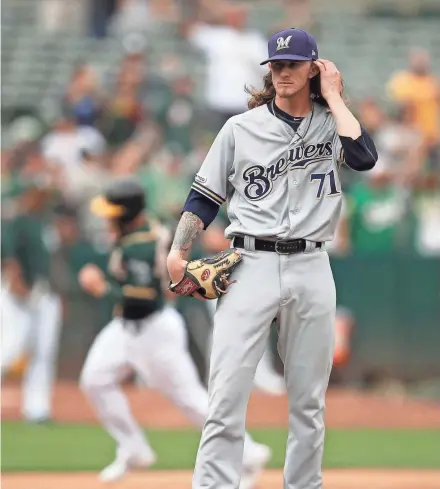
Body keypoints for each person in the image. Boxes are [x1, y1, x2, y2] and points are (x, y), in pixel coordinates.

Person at [167, 28, 377, 489]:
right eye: (277, 65)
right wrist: (179, 249)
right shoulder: (241, 127)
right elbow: (204, 197)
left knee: (309, 402)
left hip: (312, 264)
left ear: (314, 69)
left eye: (294, 65)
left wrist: (336, 98)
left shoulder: (333, 122)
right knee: (225, 395)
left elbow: (363, 158)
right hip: (249, 263)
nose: (283, 72)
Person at [78, 177, 271, 486]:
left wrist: (101, 288)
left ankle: (248, 454)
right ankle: (133, 448)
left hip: (154, 329)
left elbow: (146, 296)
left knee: (190, 400)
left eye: (112, 212)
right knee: (94, 379)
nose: (107, 218)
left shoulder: (141, 243)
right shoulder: (140, 232)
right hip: (125, 327)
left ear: (126, 213)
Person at [1, 158, 62, 423]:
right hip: (19, 294)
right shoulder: (20, 220)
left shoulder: (44, 221)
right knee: (10, 348)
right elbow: (10, 256)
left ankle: (37, 410)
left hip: (42, 292)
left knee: (43, 351)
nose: (43, 197)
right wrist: (16, 283)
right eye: (39, 192)